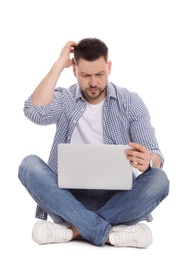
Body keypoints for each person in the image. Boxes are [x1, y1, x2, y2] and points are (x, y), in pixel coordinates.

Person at [18, 38, 170, 248]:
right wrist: (59, 64)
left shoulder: (130, 101)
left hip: (118, 200)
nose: (93, 82)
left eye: (99, 74)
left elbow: (156, 155)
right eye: (85, 75)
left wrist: (149, 161)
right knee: (29, 166)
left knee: (159, 179)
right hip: (69, 198)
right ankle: (107, 233)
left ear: (109, 67)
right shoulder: (66, 99)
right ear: (74, 71)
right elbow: (34, 111)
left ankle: (74, 230)